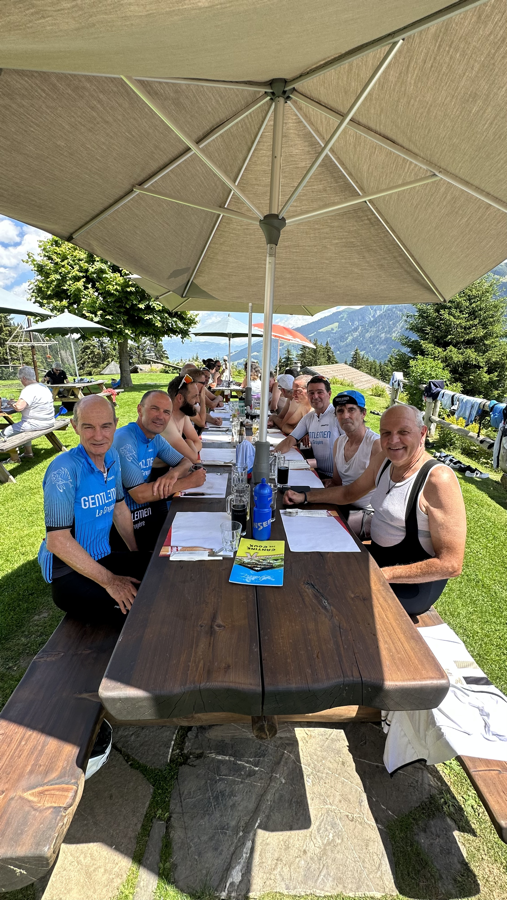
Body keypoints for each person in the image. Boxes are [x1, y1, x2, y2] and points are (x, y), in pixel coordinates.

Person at [284, 404, 466, 615]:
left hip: (411, 586)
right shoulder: (385, 461)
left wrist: (383, 575)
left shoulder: (438, 479)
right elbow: (349, 493)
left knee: (329, 600)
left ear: (422, 433)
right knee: (313, 563)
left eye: (403, 432)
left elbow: (451, 564)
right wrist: (305, 497)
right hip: (377, 561)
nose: (393, 440)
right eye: (386, 433)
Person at [38, 395, 151, 624]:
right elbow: (57, 541)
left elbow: (119, 509)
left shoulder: (112, 457)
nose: (98, 436)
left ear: (115, 424)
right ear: (75, 427)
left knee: (159, 568)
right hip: (68, 573)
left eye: (105, 426)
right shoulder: (63, 469)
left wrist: (134, 554)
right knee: (144, 608)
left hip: (103, 557)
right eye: (88, 427)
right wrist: (111, 582)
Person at [114, 390, 204, 550]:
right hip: (124, 527)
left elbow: (186, 462)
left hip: (149, 512)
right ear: (140, 409)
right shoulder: (125, 440)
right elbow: (140, 495)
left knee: (198, 533)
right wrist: (188, 482)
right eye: (154, 409)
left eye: (166, 412)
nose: (160, 416)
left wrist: (173, 473)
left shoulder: (155, 438)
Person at [325, 390, 381, 533]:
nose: (345, 416)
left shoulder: (375, 444)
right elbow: (336, 482)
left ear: (363, 413)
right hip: (343, 504)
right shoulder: (339, 442)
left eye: (351, 410)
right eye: (340, 411)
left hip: (369, 513)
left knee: (327, 527)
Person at [276, 376, 341, 477]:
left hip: (337, 477)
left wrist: (336, 480)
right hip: (317, 472)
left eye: (320, 392)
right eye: (311, 393)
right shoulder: (309, 417)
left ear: (329, 394)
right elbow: (289, 441)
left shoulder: (338, 416)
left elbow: (353, 451)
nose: (315, 396)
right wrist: (272, 455)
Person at [2, 365, 55, 462]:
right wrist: (16, 403)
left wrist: (12, 403)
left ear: (24, 378)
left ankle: (14, 458)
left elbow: (19, 407)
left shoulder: (28, 390)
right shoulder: (43, 387)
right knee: (23, 427)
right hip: (49, 421)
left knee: (5, 433)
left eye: (20, 379)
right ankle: (28, 453)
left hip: (36, 424)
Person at [155, 374, 203, 464]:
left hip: (171, 468)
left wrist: (190, 447)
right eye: (194, 396)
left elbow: (197, 442)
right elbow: (192, 458)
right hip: (156, 472)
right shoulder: (167, 423)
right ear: (180, 398)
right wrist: (189, 443)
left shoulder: (183, 415)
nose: (198, 401)